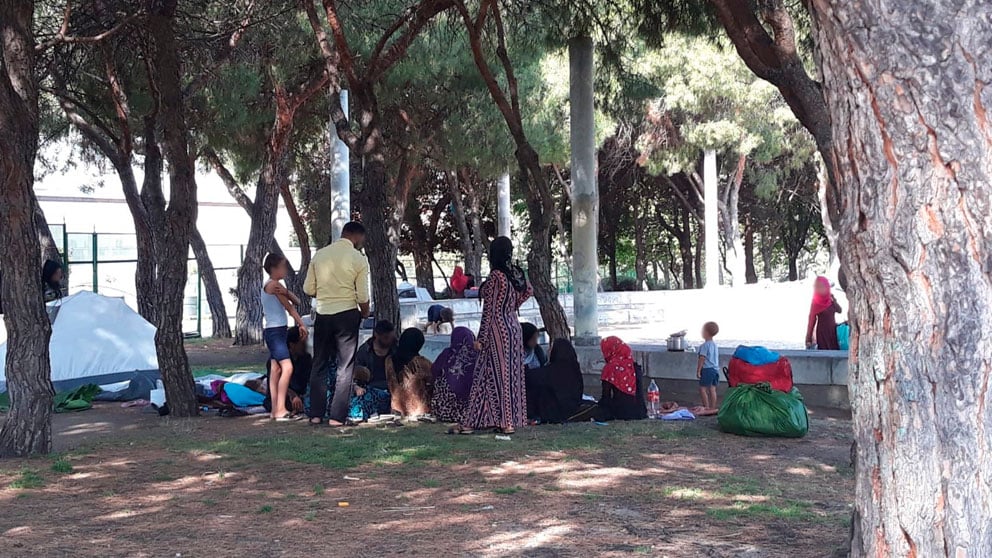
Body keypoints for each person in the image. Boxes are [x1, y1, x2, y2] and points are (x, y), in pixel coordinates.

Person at [450, 237, 532, 435]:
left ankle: (500, 422)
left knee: (493, 375)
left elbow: (490, 311)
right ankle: (493, 420)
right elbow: (528, 291)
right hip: (513, 328)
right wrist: (511, 307)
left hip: (497, 330)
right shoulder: (514, 274)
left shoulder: (496, 277)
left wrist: (481, 339)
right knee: (507, 375)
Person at [304, 222, 370, 427]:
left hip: (323, 314)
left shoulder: (320, 255)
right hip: (347, 315)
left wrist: (326, 292)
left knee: (319, 363)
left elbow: (308, 288)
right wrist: (365, 314)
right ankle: (336, 417)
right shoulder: (359, 259)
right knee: (345, 366)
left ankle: (315, 414)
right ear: (357, 237)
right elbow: (363, 295)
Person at [261, 253, 308, 421]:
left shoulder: (277, 285)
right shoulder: (272, 285)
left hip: (277, 330)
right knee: (287, 368)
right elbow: (290, 308)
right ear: (274, 268)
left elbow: (296, 301)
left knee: (276, 370)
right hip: (275, 331)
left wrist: (287, 291)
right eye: (283, 266)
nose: (286, 269)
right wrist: (301, 323)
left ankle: (275, 409)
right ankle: (280, 408)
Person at [526, 339, 584, 424]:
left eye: (551, 348)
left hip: (555, 411)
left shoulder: (551, 371)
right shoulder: (574, 368)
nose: (549, 351)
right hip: (573, 407)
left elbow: (532, 377)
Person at [430, 327, 479, 423]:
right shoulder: (476, 356)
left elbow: (434, 370)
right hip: (468, 413)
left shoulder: (447, 353)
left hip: (442, 410)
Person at [262, 326, 312, 417]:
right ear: (292, 344)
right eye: (302, 343)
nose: (305, 346)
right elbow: (275, 383)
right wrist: (293, 395)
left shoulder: (307, 358)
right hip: (283, 395)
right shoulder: (277, 361)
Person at [386, 328, 434, 420]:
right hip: (419, 410)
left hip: (396, 408)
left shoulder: (389, 361)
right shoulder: (420, 362)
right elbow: (433, 379)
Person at [597, 336, 647, 421]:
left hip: (621, 413)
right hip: (640, 412)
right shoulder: (634, 367)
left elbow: (606, 397)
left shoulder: (610, 368)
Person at [355, 320, 397, 415]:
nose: (389, 340)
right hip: (370, 389)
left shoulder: (396, 348)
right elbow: (356, 373)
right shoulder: (364, 351)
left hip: (393, 389)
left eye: (391, 337)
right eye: (386, 338)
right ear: (376, 335)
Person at [806, 276, 842, 350]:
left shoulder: (831, 298)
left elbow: (839, 310)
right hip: (822, 333)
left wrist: (833, 300)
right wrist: (808, 338)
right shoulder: (815, 302)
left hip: (833, 331)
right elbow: (811, 321)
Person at [696, 321, 721, 411]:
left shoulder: (704, 346)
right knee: (712, 389)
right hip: (715, 369)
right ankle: (713, 407)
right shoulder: (715, 345)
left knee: (702, 388)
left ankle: (706, 407)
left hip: (707, 369)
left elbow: (702, 358)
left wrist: (698, 370)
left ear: (705, 332)